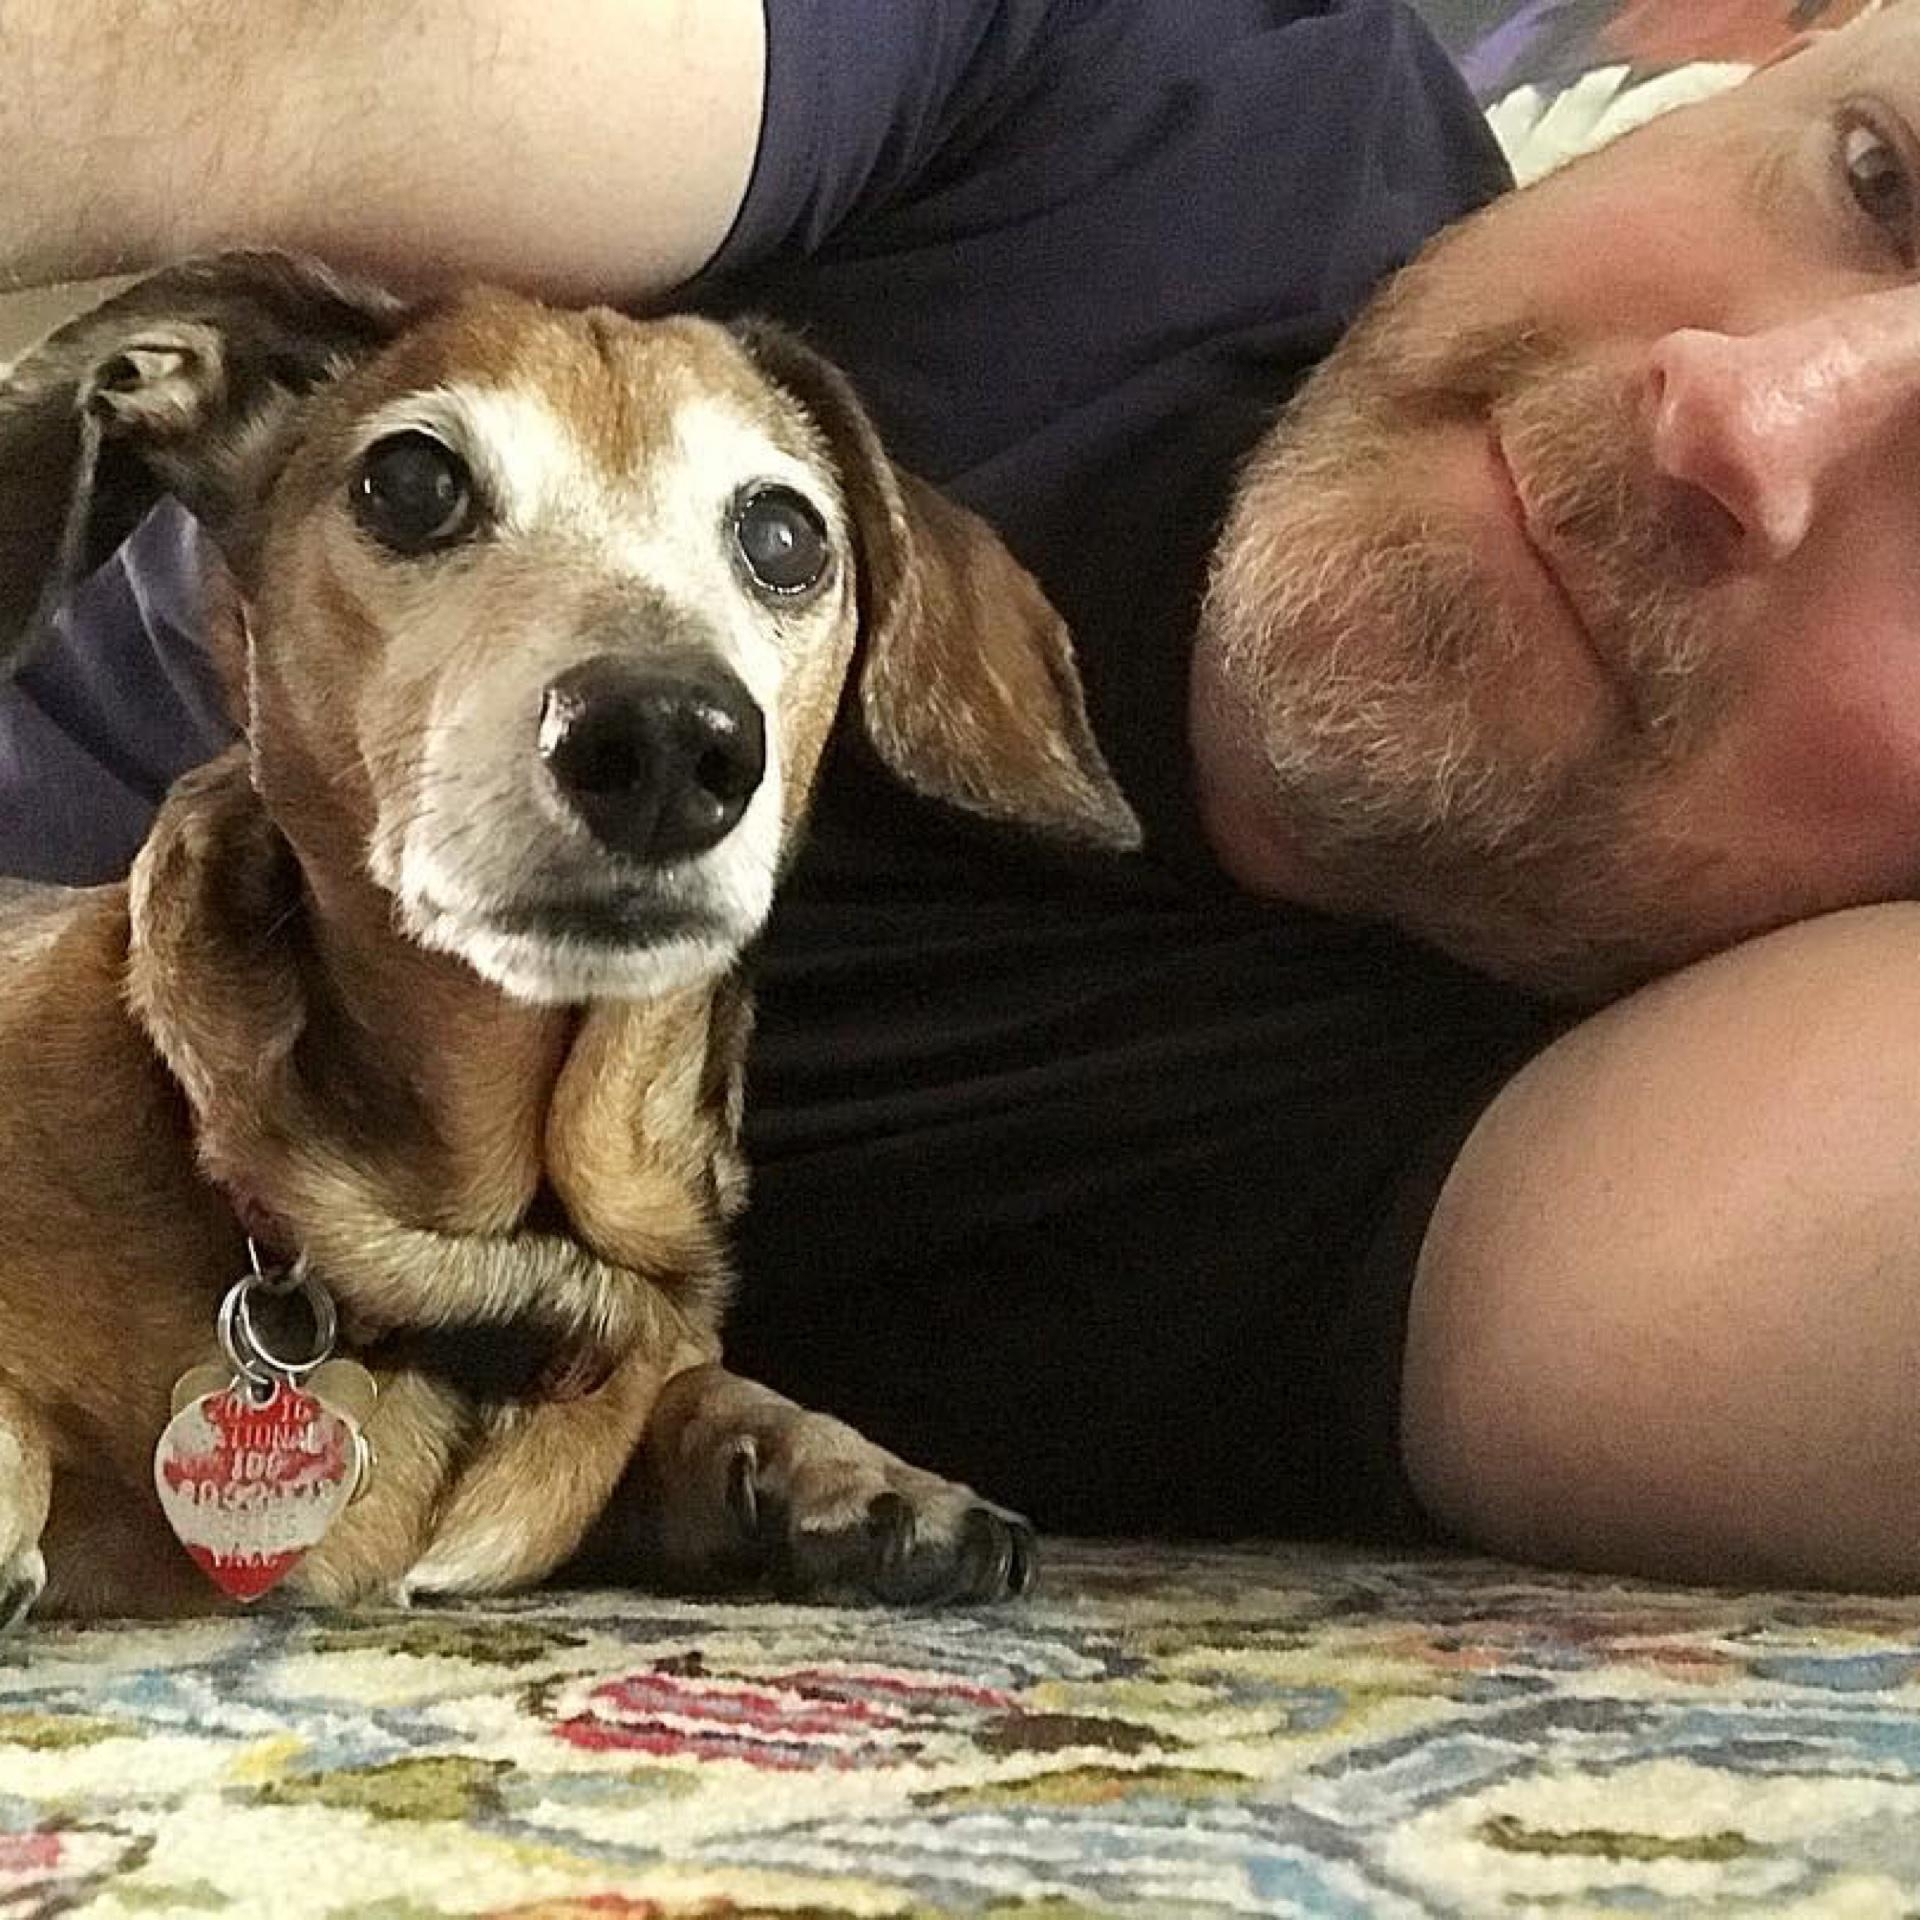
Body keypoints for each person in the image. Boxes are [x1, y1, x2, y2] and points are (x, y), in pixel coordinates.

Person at [6, 0, 1920, 1592]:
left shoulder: (1663, 1132)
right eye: (1880, 179)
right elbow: (232, 64)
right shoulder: (1164, 74)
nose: (1734, 417)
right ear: (1785, 57)